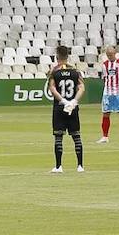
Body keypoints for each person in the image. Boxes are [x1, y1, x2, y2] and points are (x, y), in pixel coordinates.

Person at [47, 45, 85, 173]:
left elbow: (52, 88)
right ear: (67, 56)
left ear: (57, 56)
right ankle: (80, 166)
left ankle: (59, 166)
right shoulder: (75, 71)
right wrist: (73, 101)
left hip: (59, 107)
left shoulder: (54, 71)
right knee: (76, 137)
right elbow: (81, 87)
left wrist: (63, 101)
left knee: (58, 137)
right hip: (73, 108)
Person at [97, 44, 119, 144]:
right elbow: (104, 78)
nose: (110, 56)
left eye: (111, 54)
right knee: (106, 113)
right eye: (108, 55)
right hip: (107, 93)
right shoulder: (105, 65)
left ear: (115, 53)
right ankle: (105, 137)